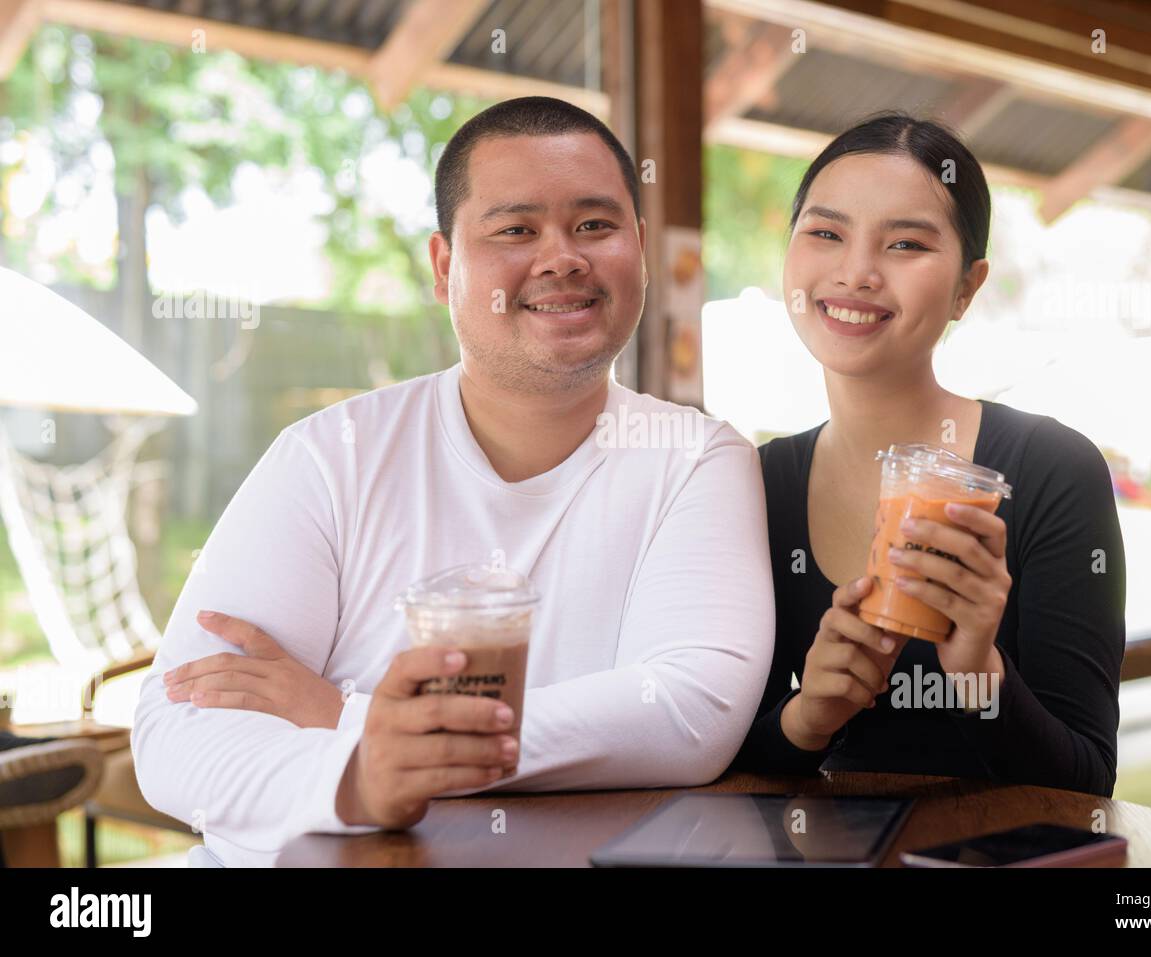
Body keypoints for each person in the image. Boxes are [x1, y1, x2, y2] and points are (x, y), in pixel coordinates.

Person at [132, 96, 775, 866]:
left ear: (637, 245)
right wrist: (363, 774)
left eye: (595, 225)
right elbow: (179, 726)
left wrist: (349, 714)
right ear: (445, 266)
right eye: (515, 229)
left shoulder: (697, 458)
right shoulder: (331, 454)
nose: (562, 257)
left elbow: (686, 712)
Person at [728, 112, 1126, 797]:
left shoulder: (1053, 469)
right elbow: (730, 757)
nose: (856, 272)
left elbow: (1089, 784)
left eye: (906, 244)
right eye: (825, 233)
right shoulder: (757, 482)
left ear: (967, 288)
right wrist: (806, 717)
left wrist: (979, 670)